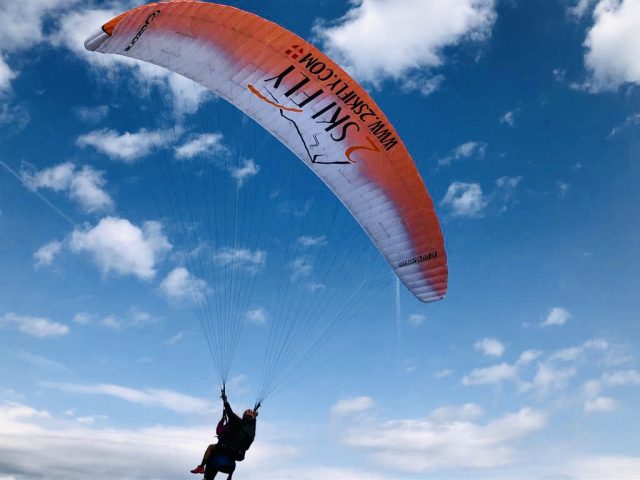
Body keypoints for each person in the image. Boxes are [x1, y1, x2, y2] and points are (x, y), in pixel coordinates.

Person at [190, 388, 258, 477]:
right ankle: (230, 476)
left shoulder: (237, 421)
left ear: (244, 416)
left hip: (226, 448)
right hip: (237, 454)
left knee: (210, 447)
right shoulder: (251, 430)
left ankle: (201, 466)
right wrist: (254, 418)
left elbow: (229, 412)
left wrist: (225, 400)